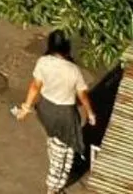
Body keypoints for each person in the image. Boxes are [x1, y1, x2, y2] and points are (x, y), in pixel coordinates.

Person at [12, 30, 96, 191]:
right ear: (67, 47)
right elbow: (83, 95)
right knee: (64, 151)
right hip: (65, 115)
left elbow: (35, 86)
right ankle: (53, 187)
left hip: (45, 109)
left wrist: (26, 108)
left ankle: (54, 163)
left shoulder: (43, 62)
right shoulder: (73, 70)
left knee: (54, 139)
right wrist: (90, 113)